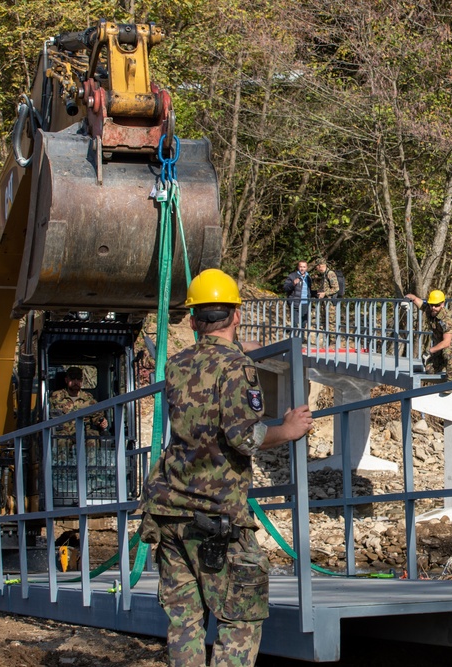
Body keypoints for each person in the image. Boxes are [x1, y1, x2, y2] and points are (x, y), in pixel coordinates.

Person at [138, 268, 314, 667]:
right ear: (237, 315)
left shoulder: (178, 366)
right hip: (215, 513)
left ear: (195, 320)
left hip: (169, 509)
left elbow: (208, 364)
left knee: (185, 623)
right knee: (240, 620)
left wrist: (239, 351)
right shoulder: (238, 368)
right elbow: (244, 436)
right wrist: (286, 430)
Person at [404, 290, 452, 382]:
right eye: (431, 304)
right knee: (429, 370)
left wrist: (429, 351)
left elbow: (446, 342)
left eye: (436, 305)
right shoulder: (430, 309)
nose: (433, 308)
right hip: (440, 342)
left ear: (442, 304)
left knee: (447, 352)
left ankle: (451, 382)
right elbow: (415, 299)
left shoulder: (446, 320)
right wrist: (406, 299)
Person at [48, 366, 108, 436]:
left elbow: (97, 416)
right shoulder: (56, 397)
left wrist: (102, 421)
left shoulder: (88, 398)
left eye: (78, 379)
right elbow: (47, 416)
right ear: (66, 380)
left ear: (81, 381)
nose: (76, 382)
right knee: (60, 439)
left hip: (84, 433)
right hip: (63, 434)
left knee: (93, 437)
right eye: (72, 379)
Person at [281, 260, 312, 331]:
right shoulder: (292, 276)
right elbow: (285, 288)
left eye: (304, 267)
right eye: (301, 266)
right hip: (295, 303)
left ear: (306, 268)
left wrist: (317, 293)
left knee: (303, 323)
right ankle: (293, 340)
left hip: (305, 303)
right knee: (294, 323)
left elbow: (309, 291)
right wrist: (293, 284)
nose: (302, 268)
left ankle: (301, 340)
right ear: (298, 267)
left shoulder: (308, 278)